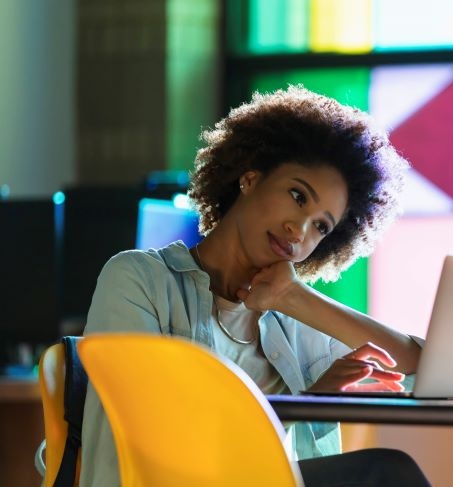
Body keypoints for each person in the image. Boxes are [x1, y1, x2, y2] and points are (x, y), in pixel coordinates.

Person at [77, 86, 430, 486]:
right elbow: (153, 433)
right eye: (297, 196)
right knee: (383, 473)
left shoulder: (291, 317)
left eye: (321, 226)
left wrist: (296, 298)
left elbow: (424, 371)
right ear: (249, 178)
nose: (299, 231)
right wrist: (302, 406)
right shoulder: (138, 279)